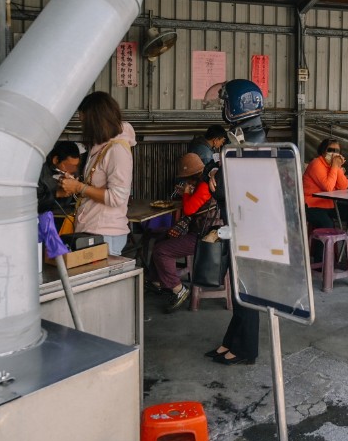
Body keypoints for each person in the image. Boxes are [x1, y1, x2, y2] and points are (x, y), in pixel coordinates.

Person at [205, 79, 266, 366]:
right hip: (242, 222)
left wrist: (215, 179)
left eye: (224, 102)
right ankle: (232, 341)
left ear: (236, 106)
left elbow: (235, 188)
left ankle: (245, 349)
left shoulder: (248, 141)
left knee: (247, 288)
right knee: (241, 286)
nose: (221, 107)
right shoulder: (247, 135)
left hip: (248, 225)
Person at [59, 92, 136, 256]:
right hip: (92, 228)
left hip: (106, 233)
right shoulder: (99, 147)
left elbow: (117, 197)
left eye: (84, 121)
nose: (83, 127)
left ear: (94, 121)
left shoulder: (117, 150)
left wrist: (79, 187)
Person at [149, 152, 216, 313]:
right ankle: (157, 281)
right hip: (198, 232)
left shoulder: (204, 187)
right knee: (161, 238)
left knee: (161, 250)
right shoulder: (202, 184)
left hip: (202, 238)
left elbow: (188, 209)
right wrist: (187, 193)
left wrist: (186, 193)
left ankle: (178, 289)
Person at [302, 138, 348, 230]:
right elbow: (328, 187)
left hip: (329, 204)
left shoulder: (332, 165)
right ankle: (322, 245)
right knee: (327, 225)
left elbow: (344, 186)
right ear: (323, 151)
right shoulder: (316, 164)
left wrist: (338, 167)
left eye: (337, 151)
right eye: (330, 150)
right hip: (311, 205)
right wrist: (335, 166)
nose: (333, 153)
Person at [36, 141, 81, 216]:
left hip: (64, 212)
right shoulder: (40, 171)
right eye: (68, 166)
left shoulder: (72, 170)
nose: (71, 170)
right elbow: (33, 204)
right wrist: (57, 193)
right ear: (56, 160)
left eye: (74, 166)